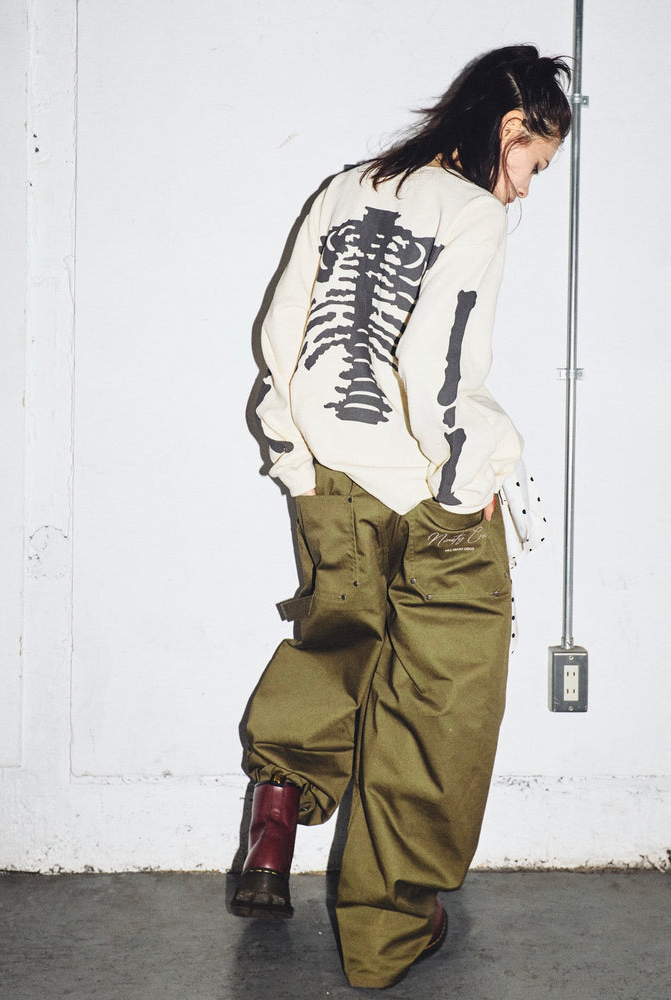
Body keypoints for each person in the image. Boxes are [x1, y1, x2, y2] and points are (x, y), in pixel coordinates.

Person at [230, 44, 572, 990]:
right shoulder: (472, 213)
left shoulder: (348, 188)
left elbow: (282, 339)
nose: (526, 190)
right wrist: (461, 493)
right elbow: (437, 365)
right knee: (438, 710)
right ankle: (386, 932)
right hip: (428, 496)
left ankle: (275, 813)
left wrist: (295, 465)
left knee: (336, 641)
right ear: (510, 128)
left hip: (329, 481)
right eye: (535, 164)